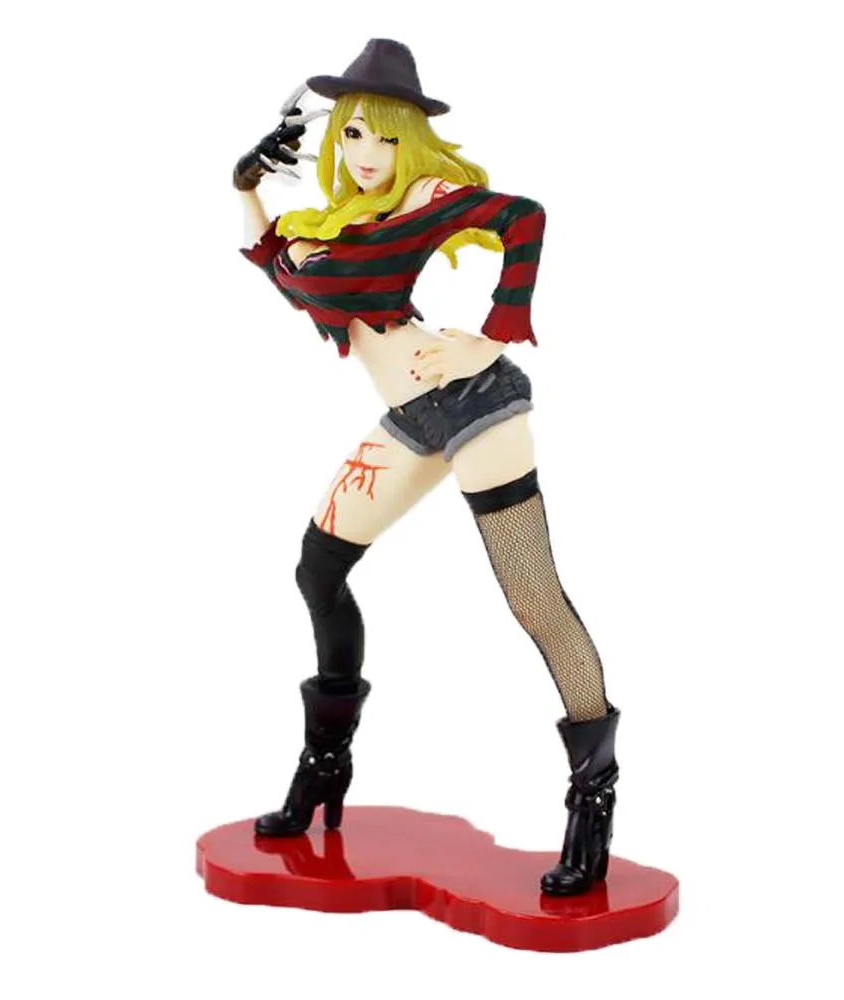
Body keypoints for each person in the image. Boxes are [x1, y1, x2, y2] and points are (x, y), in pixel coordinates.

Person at [234, 38, 619, 897]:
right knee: (319, 568)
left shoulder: (426, 198)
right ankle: (324, 767)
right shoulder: (331, 222)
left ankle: (593, 799)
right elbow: (281, 272)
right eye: (352, 134)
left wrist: (495, 332)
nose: (367, 152)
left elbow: (524, 218)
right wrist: (246, 189)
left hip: (477, 403)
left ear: (411, 139)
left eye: (385, 135)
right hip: (412, 420)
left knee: (532, 596)